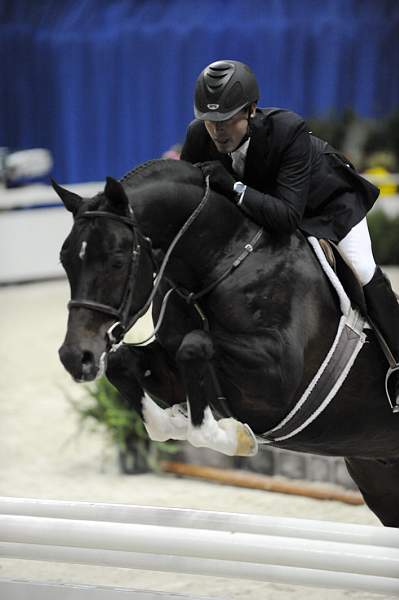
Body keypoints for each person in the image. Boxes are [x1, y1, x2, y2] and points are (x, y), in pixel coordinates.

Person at [180, 59, 399, 408]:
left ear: (251, 110)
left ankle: (396, 362)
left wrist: (234, 188)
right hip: (266, 206)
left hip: (327, 205)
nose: (218, 131)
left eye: (226, 120)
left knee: (361, 270)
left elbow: (286, 216)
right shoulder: (198, 136)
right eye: (210, 121)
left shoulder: (287, 129)